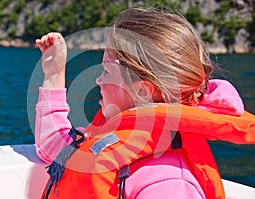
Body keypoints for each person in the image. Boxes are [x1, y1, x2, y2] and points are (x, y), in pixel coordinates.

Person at [34, 7, 255, 199]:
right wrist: (54, 74)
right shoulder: (107, 140)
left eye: (106, 71)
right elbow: (53, 146)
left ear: (141, 90)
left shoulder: (168, 182)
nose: (98, 80)